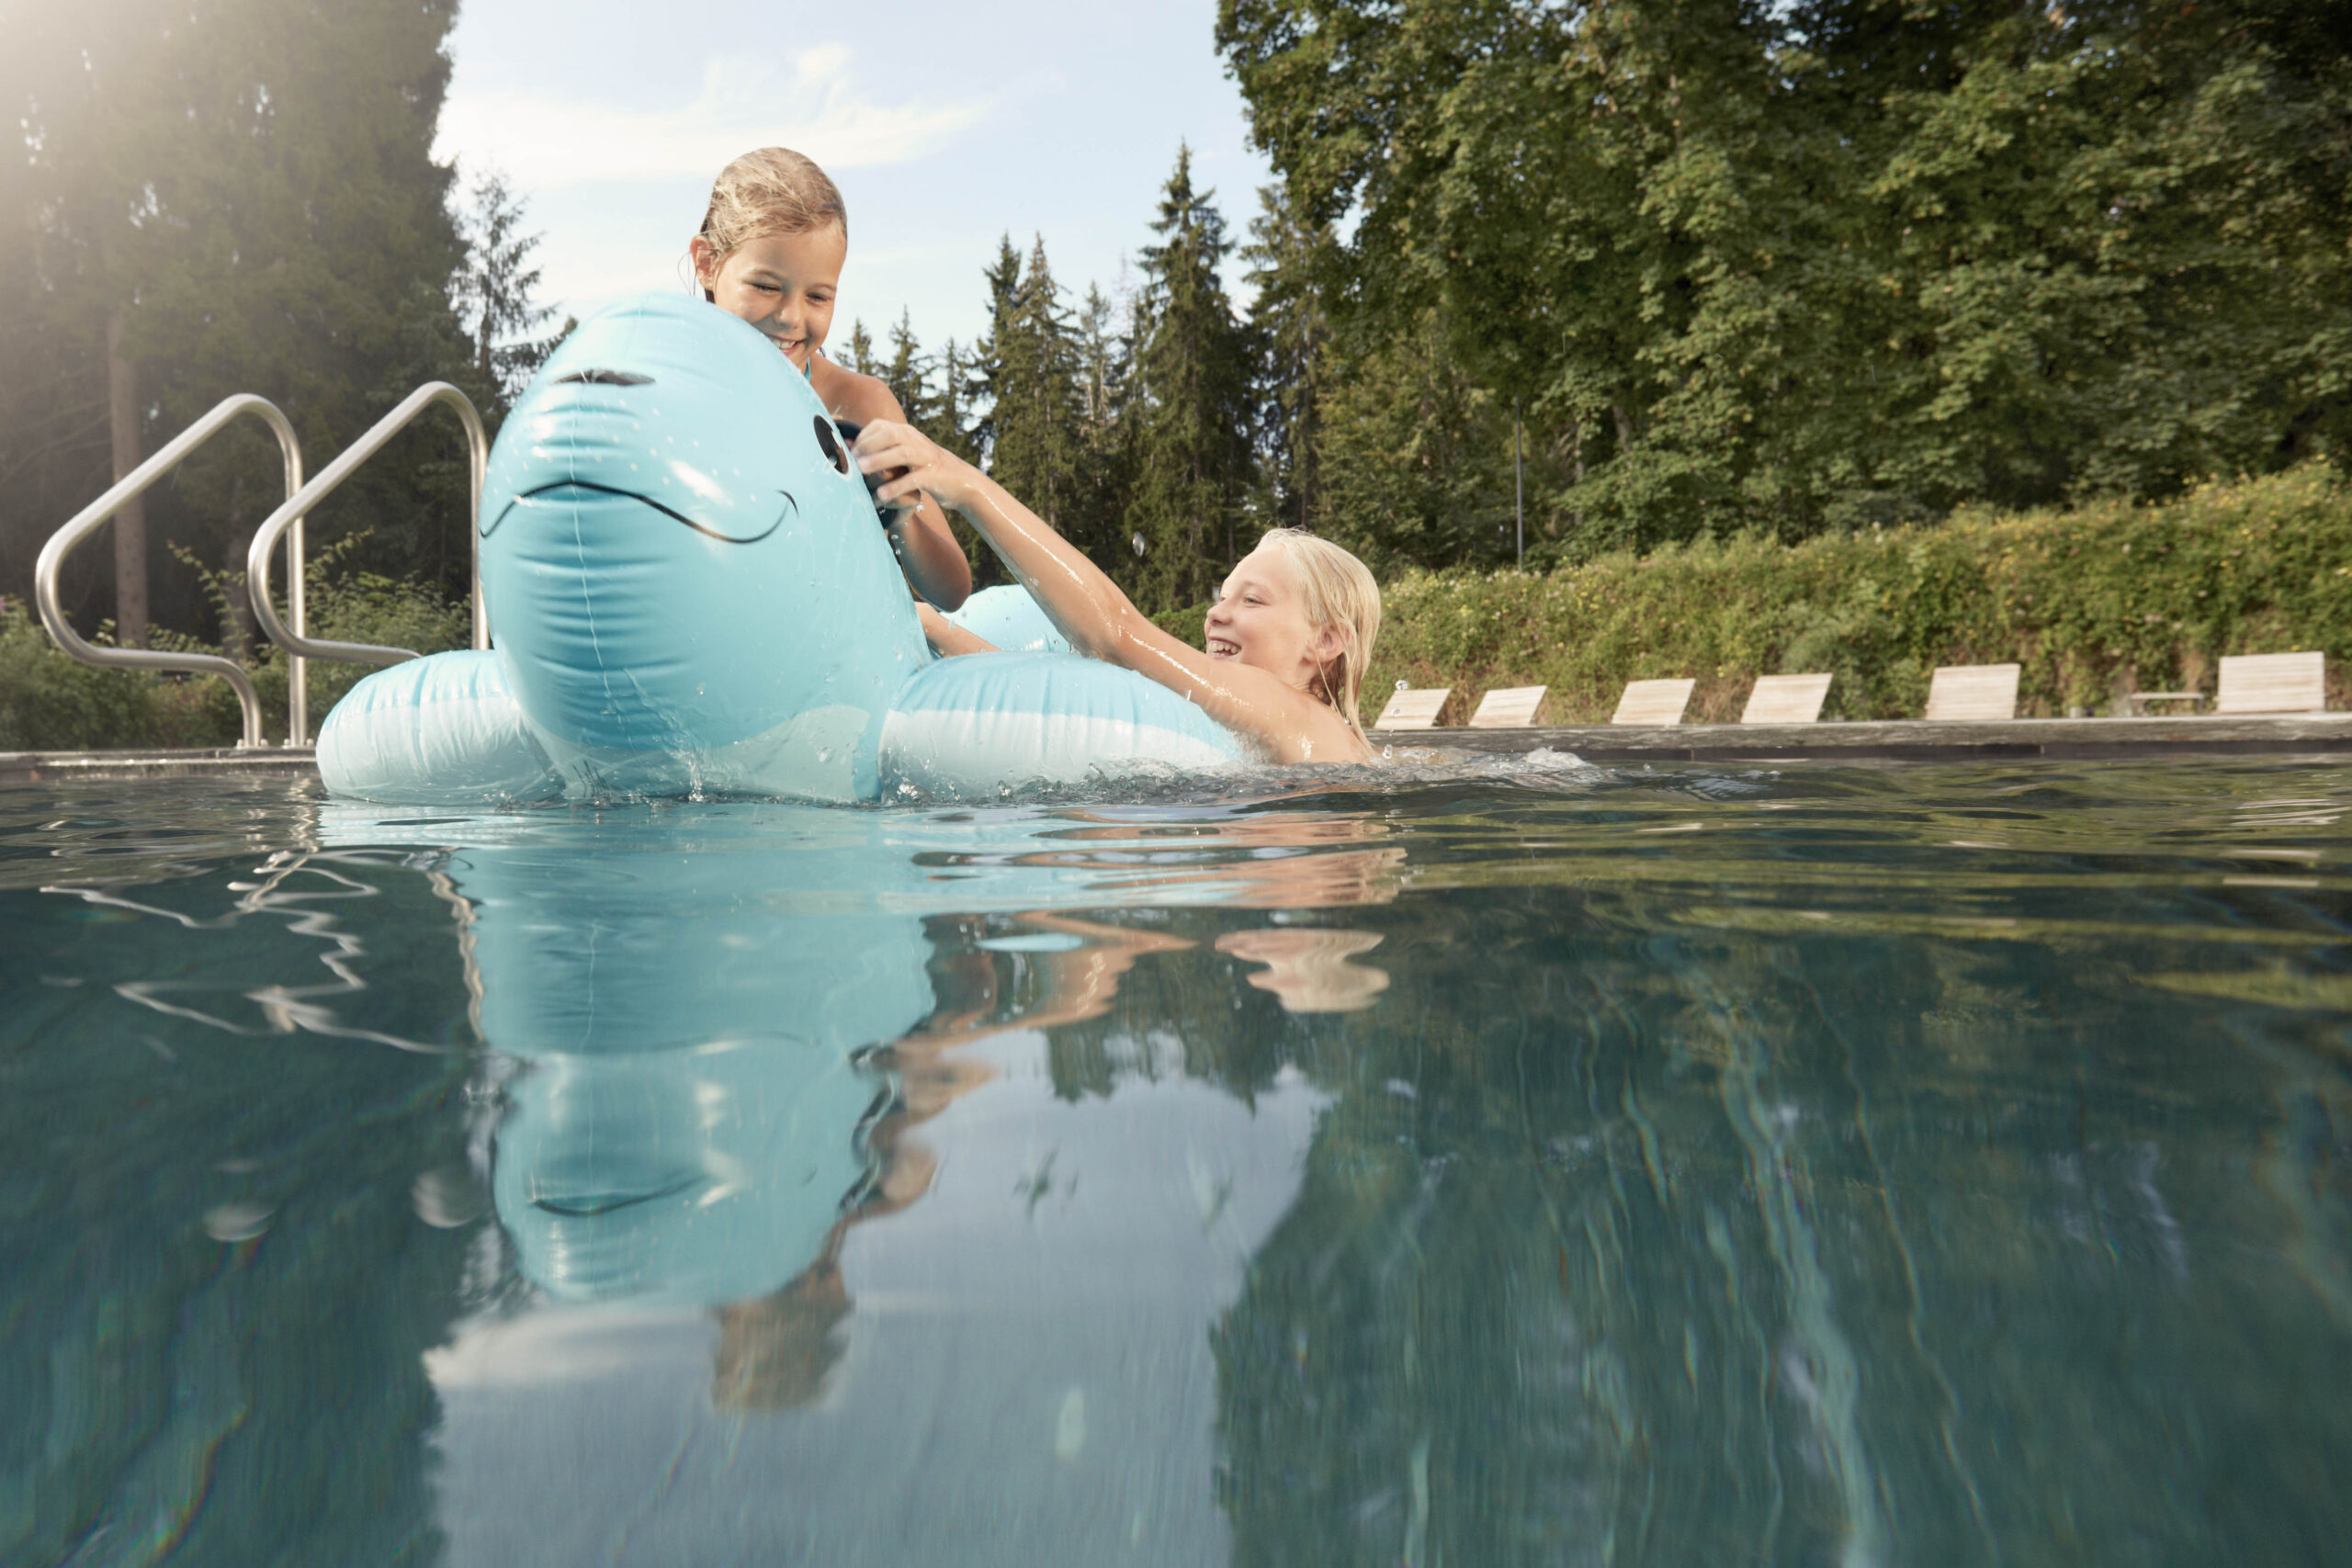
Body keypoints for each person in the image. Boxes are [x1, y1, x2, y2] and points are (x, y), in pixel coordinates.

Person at [850, 419, 1383, 765]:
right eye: (1222, 595)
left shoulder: (1290, 708)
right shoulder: (1280, 725)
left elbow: (1115, 635)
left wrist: (962, 483)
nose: (1215, 614)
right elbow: (1061, 689)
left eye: (1252, 600)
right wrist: (934, 626)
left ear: (1326, 641)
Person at [688, 147, 971, 610]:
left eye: (818, 296)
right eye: (765, 286)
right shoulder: (671, 388)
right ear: (707, 263)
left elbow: (952, 591)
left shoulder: (855, 403)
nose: (791, 318)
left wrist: (899, 513)